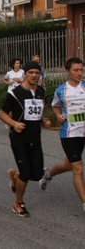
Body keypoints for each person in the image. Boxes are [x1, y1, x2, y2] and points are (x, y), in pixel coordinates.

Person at [0, 61, 51, 218]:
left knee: (36, 175)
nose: (34, 75)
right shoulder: (15, 93)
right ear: (25, 74)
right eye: (31, 72)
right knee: (26, 172)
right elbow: (2, 113)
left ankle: (15, 176)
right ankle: (18, 203)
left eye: (37, 73)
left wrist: (44, 120)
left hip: (35, 137)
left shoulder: (41, 91)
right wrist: (14, 123)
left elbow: (37, 111)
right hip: (19, 138)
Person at [39, 57, 85, 213]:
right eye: (76, 70)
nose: (79, 73)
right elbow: (55, 107)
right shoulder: (61, 90)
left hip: (83, 132)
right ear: (67, 72)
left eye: (81, 70)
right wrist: (58, 116)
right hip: (69, 134)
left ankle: (48, 175)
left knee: (68, 164)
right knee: (78, 168)